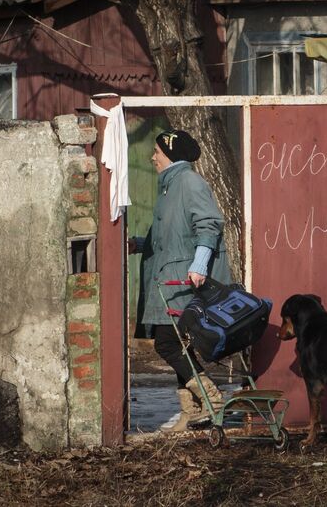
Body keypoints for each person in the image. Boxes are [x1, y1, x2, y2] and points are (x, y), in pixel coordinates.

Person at [129, 128, 232, 433]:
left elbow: (209, 224)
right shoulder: (170, 188)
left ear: (170, 154)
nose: (152, 157)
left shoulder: (188, 182)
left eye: (157, 152)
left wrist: (200, 265)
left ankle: (211, 397)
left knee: (167, 344)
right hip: (172, 277)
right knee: (178, 345)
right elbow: (169, 237)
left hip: (185, 280)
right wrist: (138, 243)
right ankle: (190, 412)